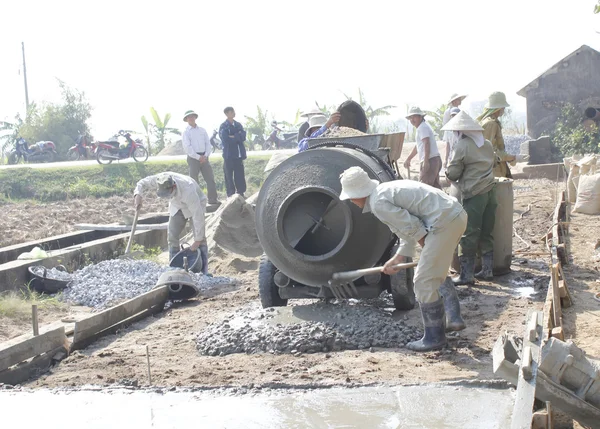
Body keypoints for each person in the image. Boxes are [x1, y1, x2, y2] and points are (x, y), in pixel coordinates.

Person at [339, 166, 468, 352]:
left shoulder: (378, 204)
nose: (351, 201)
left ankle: (434, 338)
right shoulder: (382, 193)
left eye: (350, 196)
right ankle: (453, 319)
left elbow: (414, 228)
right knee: (434, 271)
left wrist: (426, 254)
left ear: (358, 193)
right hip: (454, 216)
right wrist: (397, 259)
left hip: (444, 222)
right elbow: (406, 233)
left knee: (423, 280)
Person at [443, 111, 498, 284]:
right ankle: (487, 270)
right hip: (491, 192)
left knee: (469, 233)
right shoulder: (487, 144)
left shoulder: (463, 146)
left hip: (474, 194)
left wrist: (448, 173)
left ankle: (466, 275)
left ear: (461, 132)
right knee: (487, 231)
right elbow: (495, 162)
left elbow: (453, 173)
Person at [133, 172, 208, 273]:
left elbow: (197, 215)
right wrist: (138, 194)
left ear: (173, 187)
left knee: (200, 238)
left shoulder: (188, 190)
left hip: (197, 204)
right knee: (172, 235)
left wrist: (197, 240)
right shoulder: (160, 180)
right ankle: (174, 269)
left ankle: (204, 271)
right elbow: (142, 183)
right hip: (177, 206)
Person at [182, 110, 220, 206]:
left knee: (210, 179)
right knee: (193, 181)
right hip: (193, 157)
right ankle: (196, 201)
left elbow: (208, 144)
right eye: (189, 117)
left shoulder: (202, 130)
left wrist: (205, 156)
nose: (191, 118)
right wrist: (198, 157)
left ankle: (212, 199)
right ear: (186, 119)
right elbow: (187, 147)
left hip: (204, 156)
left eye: (192, 116)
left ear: (195, 117)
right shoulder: (186, 132)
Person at [403, 107, 443, 189]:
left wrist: (426, 161)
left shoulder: (422, 127)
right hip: (434, 159)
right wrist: (409, 158)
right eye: (410, 117)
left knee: (424, 188)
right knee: (435, 188)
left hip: (430, 160)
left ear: (420, 117)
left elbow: (426, 143)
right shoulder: (422, 127)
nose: (412, 120)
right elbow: (418, 146)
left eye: (414, 117)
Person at [478, 92, 515, 178]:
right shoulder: (491, 124)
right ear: (498, 108)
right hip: (493, 169)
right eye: (503, 107)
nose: (504, 109)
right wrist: (510, 157)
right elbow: (489, 150)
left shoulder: (489, 122)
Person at [219, 106, 247, 198]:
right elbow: (225, 138)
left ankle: (241, 193)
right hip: (228, 155)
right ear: (227, 114)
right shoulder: (224, 126)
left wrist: (233, 136)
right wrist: (237, 136)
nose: (233, 113)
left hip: (238, 155)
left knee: (239, 174)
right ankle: (231, 194)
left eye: (233, 111)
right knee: (229, 175)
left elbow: (243, 136)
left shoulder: (238, 125)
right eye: (231, 112)